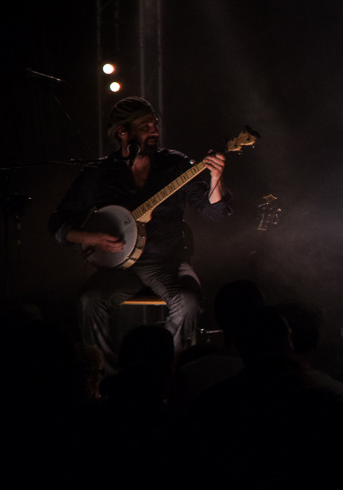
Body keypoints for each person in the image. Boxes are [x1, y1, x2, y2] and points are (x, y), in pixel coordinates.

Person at [47, 97, 231, 365]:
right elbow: (59, 221)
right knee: (89, 302)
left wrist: (217, 178)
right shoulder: (100, 172)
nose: (155, 130)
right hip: (118, 268)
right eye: (145, 126)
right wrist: (89, 237)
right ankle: (107, 381)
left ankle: (165, 371)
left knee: (188, 302)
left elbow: (214, 212)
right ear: (123, 133)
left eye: (155, 125)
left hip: (167, 262)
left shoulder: (174, 165)